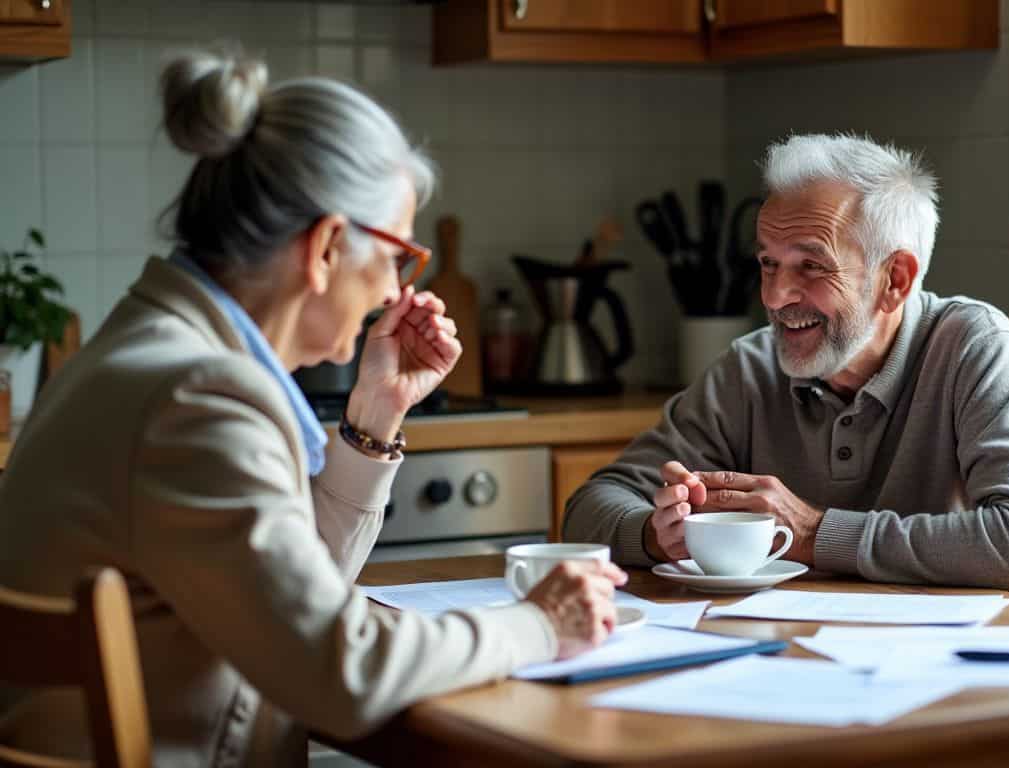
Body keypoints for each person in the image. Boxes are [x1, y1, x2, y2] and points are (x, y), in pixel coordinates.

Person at [0, 49, 625, 765]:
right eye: (397, 257)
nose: (396, 292)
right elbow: (342, 671)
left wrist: (374, 419)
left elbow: (288, 604)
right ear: (327, 245)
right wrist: (538, 624)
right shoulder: (198, 397)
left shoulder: (146, 350)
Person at [564, 134, 1009, 598]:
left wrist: (812, 532)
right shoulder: (751, 368)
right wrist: (656, 535)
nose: (776, 296)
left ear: (896, 279)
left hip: (939, 673)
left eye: (812, 265)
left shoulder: (969, 345)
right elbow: (588, 509)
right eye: (768, 263)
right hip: (782, 658)